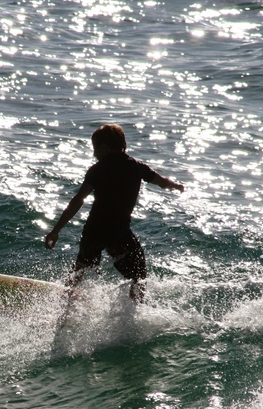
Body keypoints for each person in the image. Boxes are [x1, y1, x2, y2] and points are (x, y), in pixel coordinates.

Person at [44, 124, 184, 302]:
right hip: (119, 232)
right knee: (139, 277)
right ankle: (134, 312)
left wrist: (56, 230)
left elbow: (78, 200)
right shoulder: (137, 167)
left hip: (95, 229)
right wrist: (177, 186)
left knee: (80, 267)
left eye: (95, 148)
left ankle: (64, 304)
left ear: (104, 147)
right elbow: (162, 182)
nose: (94, 154)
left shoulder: (97, 169)